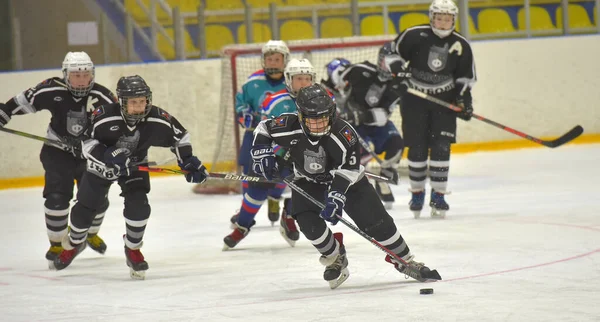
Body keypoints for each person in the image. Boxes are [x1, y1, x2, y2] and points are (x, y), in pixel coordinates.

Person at [250, 84, 441, 289]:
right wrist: (262, 152)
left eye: (323, 119)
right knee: (308, 222)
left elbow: (348, 170)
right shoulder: (288, 124)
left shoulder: (344, 133)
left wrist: (335, 197)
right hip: (307, 179)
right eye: (313, 121)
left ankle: (404, 259)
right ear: (300, 115)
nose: (319, 126)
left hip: (349, 181)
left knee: (377, 224)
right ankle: (335, 257)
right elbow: (264, 128)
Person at [52, 75, 209, 279]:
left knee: (139, 206)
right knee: (83, 212)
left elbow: (180, 137)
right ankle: (73, 244)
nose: (139, 107)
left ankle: (132, 249)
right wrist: (107, 155)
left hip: (134, 167)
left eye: (143, 101)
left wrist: (187, 160)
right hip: (101, 166)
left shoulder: (156, 117)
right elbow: (85, 141)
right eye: (133, 102)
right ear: (121, 102)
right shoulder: (104, 115)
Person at [0, 51, 115, 267]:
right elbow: (20, 102)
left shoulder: (104, 98)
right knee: (56, 198)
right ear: (65, 75)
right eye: (76, 75)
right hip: (57, 151)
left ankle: (90, 233)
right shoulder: (51, 89)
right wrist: (3, 113)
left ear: (92, 74)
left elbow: (118, 129)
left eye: (86, 75)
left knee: (97, 201)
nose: (81, 80)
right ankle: (57, 244)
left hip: (91, 155)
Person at [388, 0, 476, 218]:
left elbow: (466, 78)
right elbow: (391, 53)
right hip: (414, 99)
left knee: (441, 147)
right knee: (417, 148)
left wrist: (464, 100)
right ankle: (417, 193)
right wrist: (399, 73)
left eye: (448, 19)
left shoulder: (461, 44)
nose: (443, 23)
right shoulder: (415, 35)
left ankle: (438, 195)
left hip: (444, 101)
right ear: (432, 17)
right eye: (439, 18)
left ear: (453, 20)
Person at [224, 58, 316, 250]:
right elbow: (265, 134)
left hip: (306, 158)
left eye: (308, 79)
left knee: (307, 189)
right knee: (256, 190)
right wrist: (279, 152)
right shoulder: (274, 102)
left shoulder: (323, 100)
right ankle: (242, 225)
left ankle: (289, 215)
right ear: (289, 80)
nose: (304, 83)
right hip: (276, 156)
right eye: (299, 79)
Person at [323, 47, 405, 210]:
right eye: (385, 61)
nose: (387, 66)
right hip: (352, 125)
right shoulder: (361, 70)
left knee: (396, 145)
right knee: (355, 156)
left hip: (376, 125)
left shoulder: (397, 87)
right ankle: (351, 187)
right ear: (379, 60)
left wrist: (361, 116)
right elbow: (338, 80)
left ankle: (383, 178)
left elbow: (383, 116)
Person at [229, 40, 290, 226]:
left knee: (283, 170)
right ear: (264, 60)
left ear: (284, 60)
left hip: (283, 137)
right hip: (256, 134)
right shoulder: (252, 82)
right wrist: (243, 113)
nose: (273, 62)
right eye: (269, 59)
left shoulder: (292, 81)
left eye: (277, 59)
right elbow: (241, 102)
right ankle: (245, 208)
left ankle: (274, 198)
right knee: (249, 171)